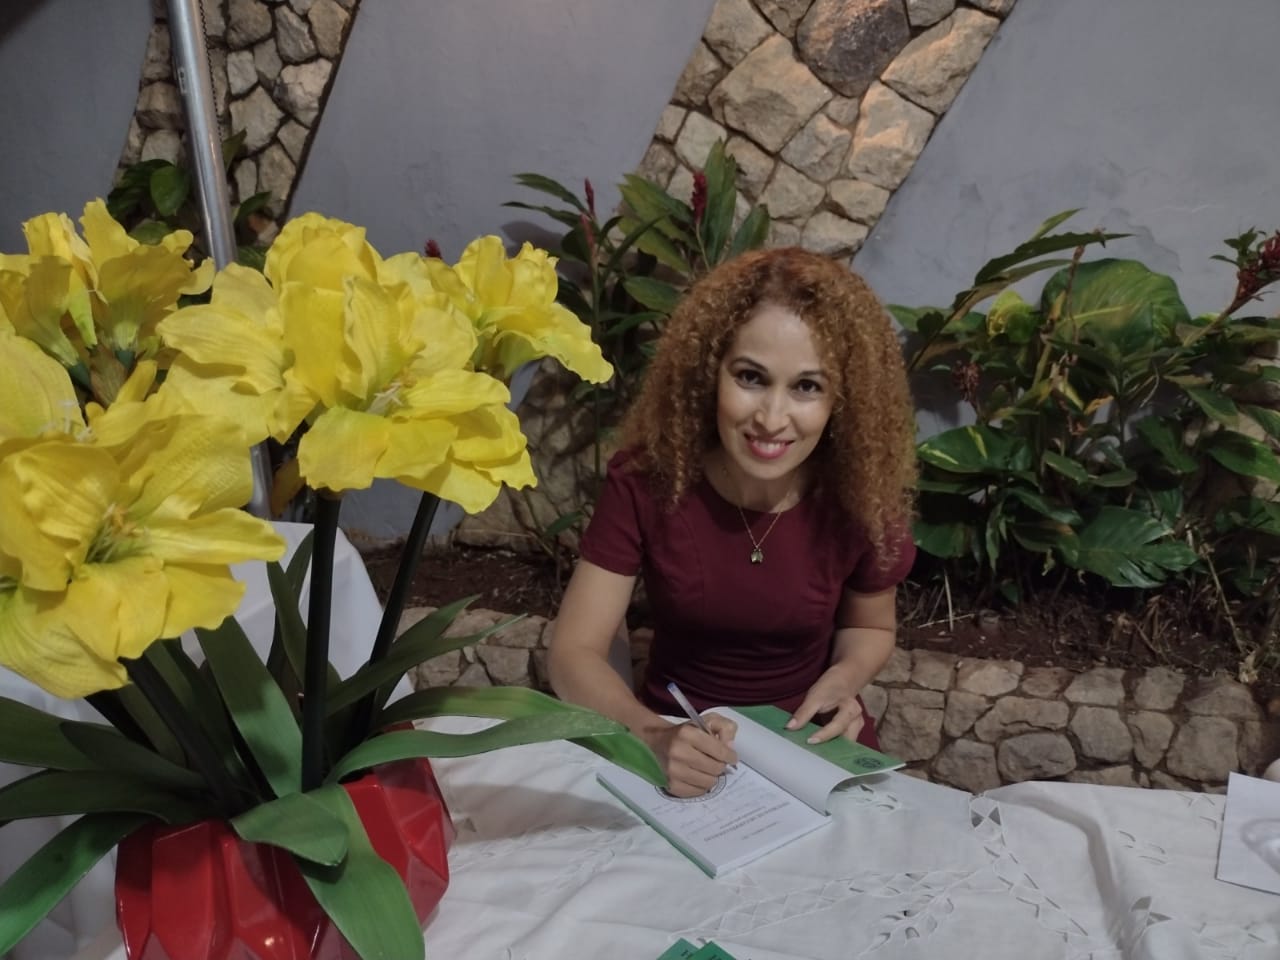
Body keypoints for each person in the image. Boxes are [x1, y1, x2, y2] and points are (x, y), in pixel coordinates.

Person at [548, 246, 917, 797]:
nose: (771, 418)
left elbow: (871, 628)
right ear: (709, 373)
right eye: (750, 377)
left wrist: (844, 679)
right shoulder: (650, 482)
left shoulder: (861, 498)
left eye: (807, 387)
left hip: (813, 748)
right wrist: (650, 736)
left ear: (843, 398)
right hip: (678, 744)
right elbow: (573, 651)